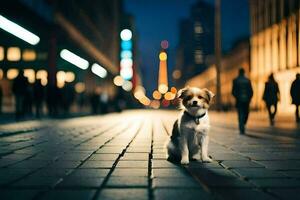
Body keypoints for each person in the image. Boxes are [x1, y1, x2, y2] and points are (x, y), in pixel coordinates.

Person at [232, 68, 253, 134]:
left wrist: (237, 97)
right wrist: (249, 98)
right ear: (244, 73)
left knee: (240, 113)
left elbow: (233, 91)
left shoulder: (235, 80)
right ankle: (243, 124)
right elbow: (251, 91)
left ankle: (241, 126)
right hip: (246, 100)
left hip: (239, 100)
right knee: (246, 113)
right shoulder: (247, 80)